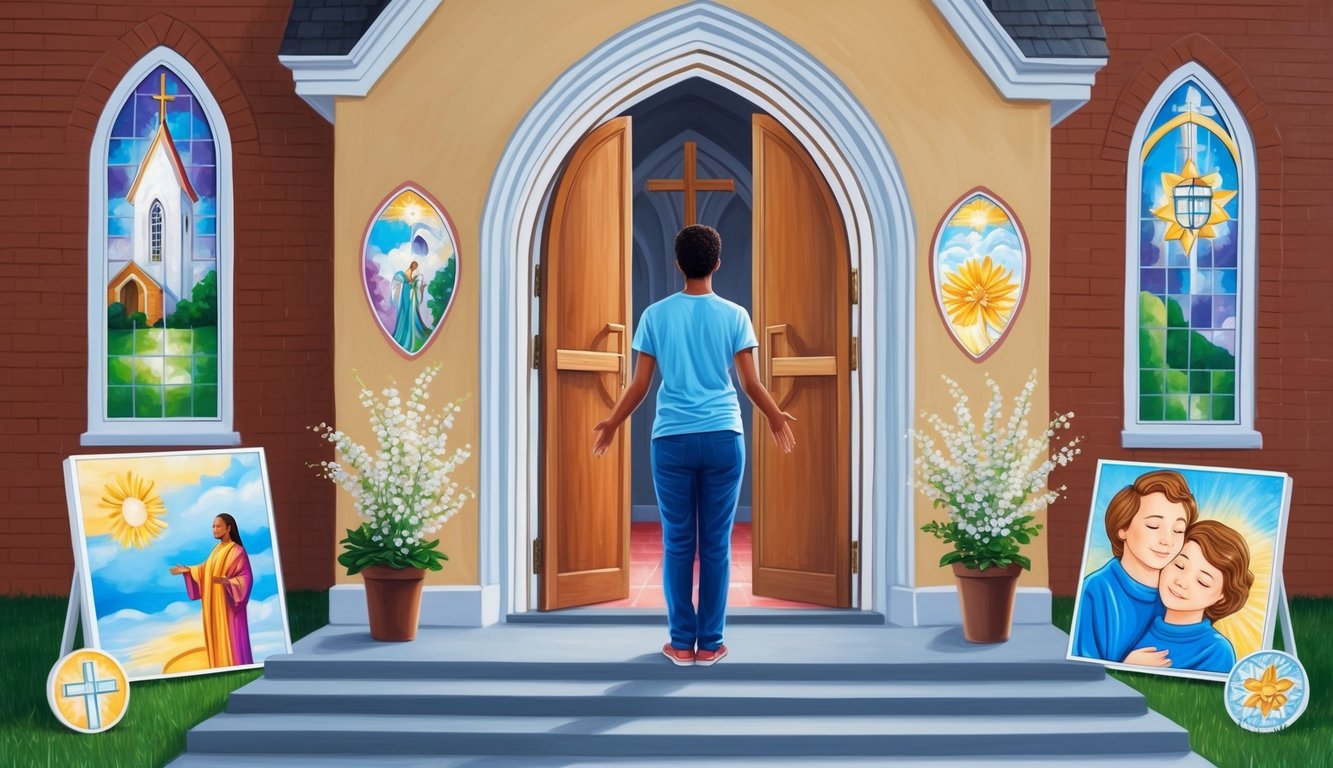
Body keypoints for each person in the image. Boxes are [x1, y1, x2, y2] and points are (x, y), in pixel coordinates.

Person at [592, 224, 796, 668]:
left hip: (671, 441)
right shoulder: (736, 315)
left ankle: (682, 643)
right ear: (717, 263)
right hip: (724, 438)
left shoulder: (655, 315)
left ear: (678, 263)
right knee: (717, 544)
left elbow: (640, 386)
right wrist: (776, 415)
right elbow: (750, 383)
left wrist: (612, 421)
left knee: (679, 543)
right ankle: (712, 644)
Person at [1070, 470, 1199, 665]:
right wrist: (1125, 666)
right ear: (1123, 528)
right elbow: (1082, 668)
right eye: (1154, 526)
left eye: (1178, 530)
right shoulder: (1097, 591)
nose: (1168, 540)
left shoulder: (1180, 592)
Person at [1131, 519, 1253, 674]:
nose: (1181, 582)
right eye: (1179, 565)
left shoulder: (1215, 650)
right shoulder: (1135, 625)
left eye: (1202, 582)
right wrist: (1127, 664)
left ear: (1222, 596)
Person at [170, 513, 254, 668]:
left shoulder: (237, 551)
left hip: (228, 609)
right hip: (214, 609)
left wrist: (228, 582)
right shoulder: (216, 550)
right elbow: (204, 569)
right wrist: (187, 570)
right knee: (216, 639)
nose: (214, 529)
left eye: (218, 526)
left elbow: (245, 578)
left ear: (229, 528)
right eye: (213, 526)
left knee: (231, 642)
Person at [392, 259, 432, 353]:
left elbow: (411, 281)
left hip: (408, 291)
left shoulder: (411, 272)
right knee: (407, 310)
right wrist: (415, 280)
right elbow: (408, 281)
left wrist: (417, 280)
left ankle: (412, 329)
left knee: (410, 310)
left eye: (416, 266)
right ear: (412, 265)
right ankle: (407, 334)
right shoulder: (408, 271)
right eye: (414, 266)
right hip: (406, 292)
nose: (415, 268)